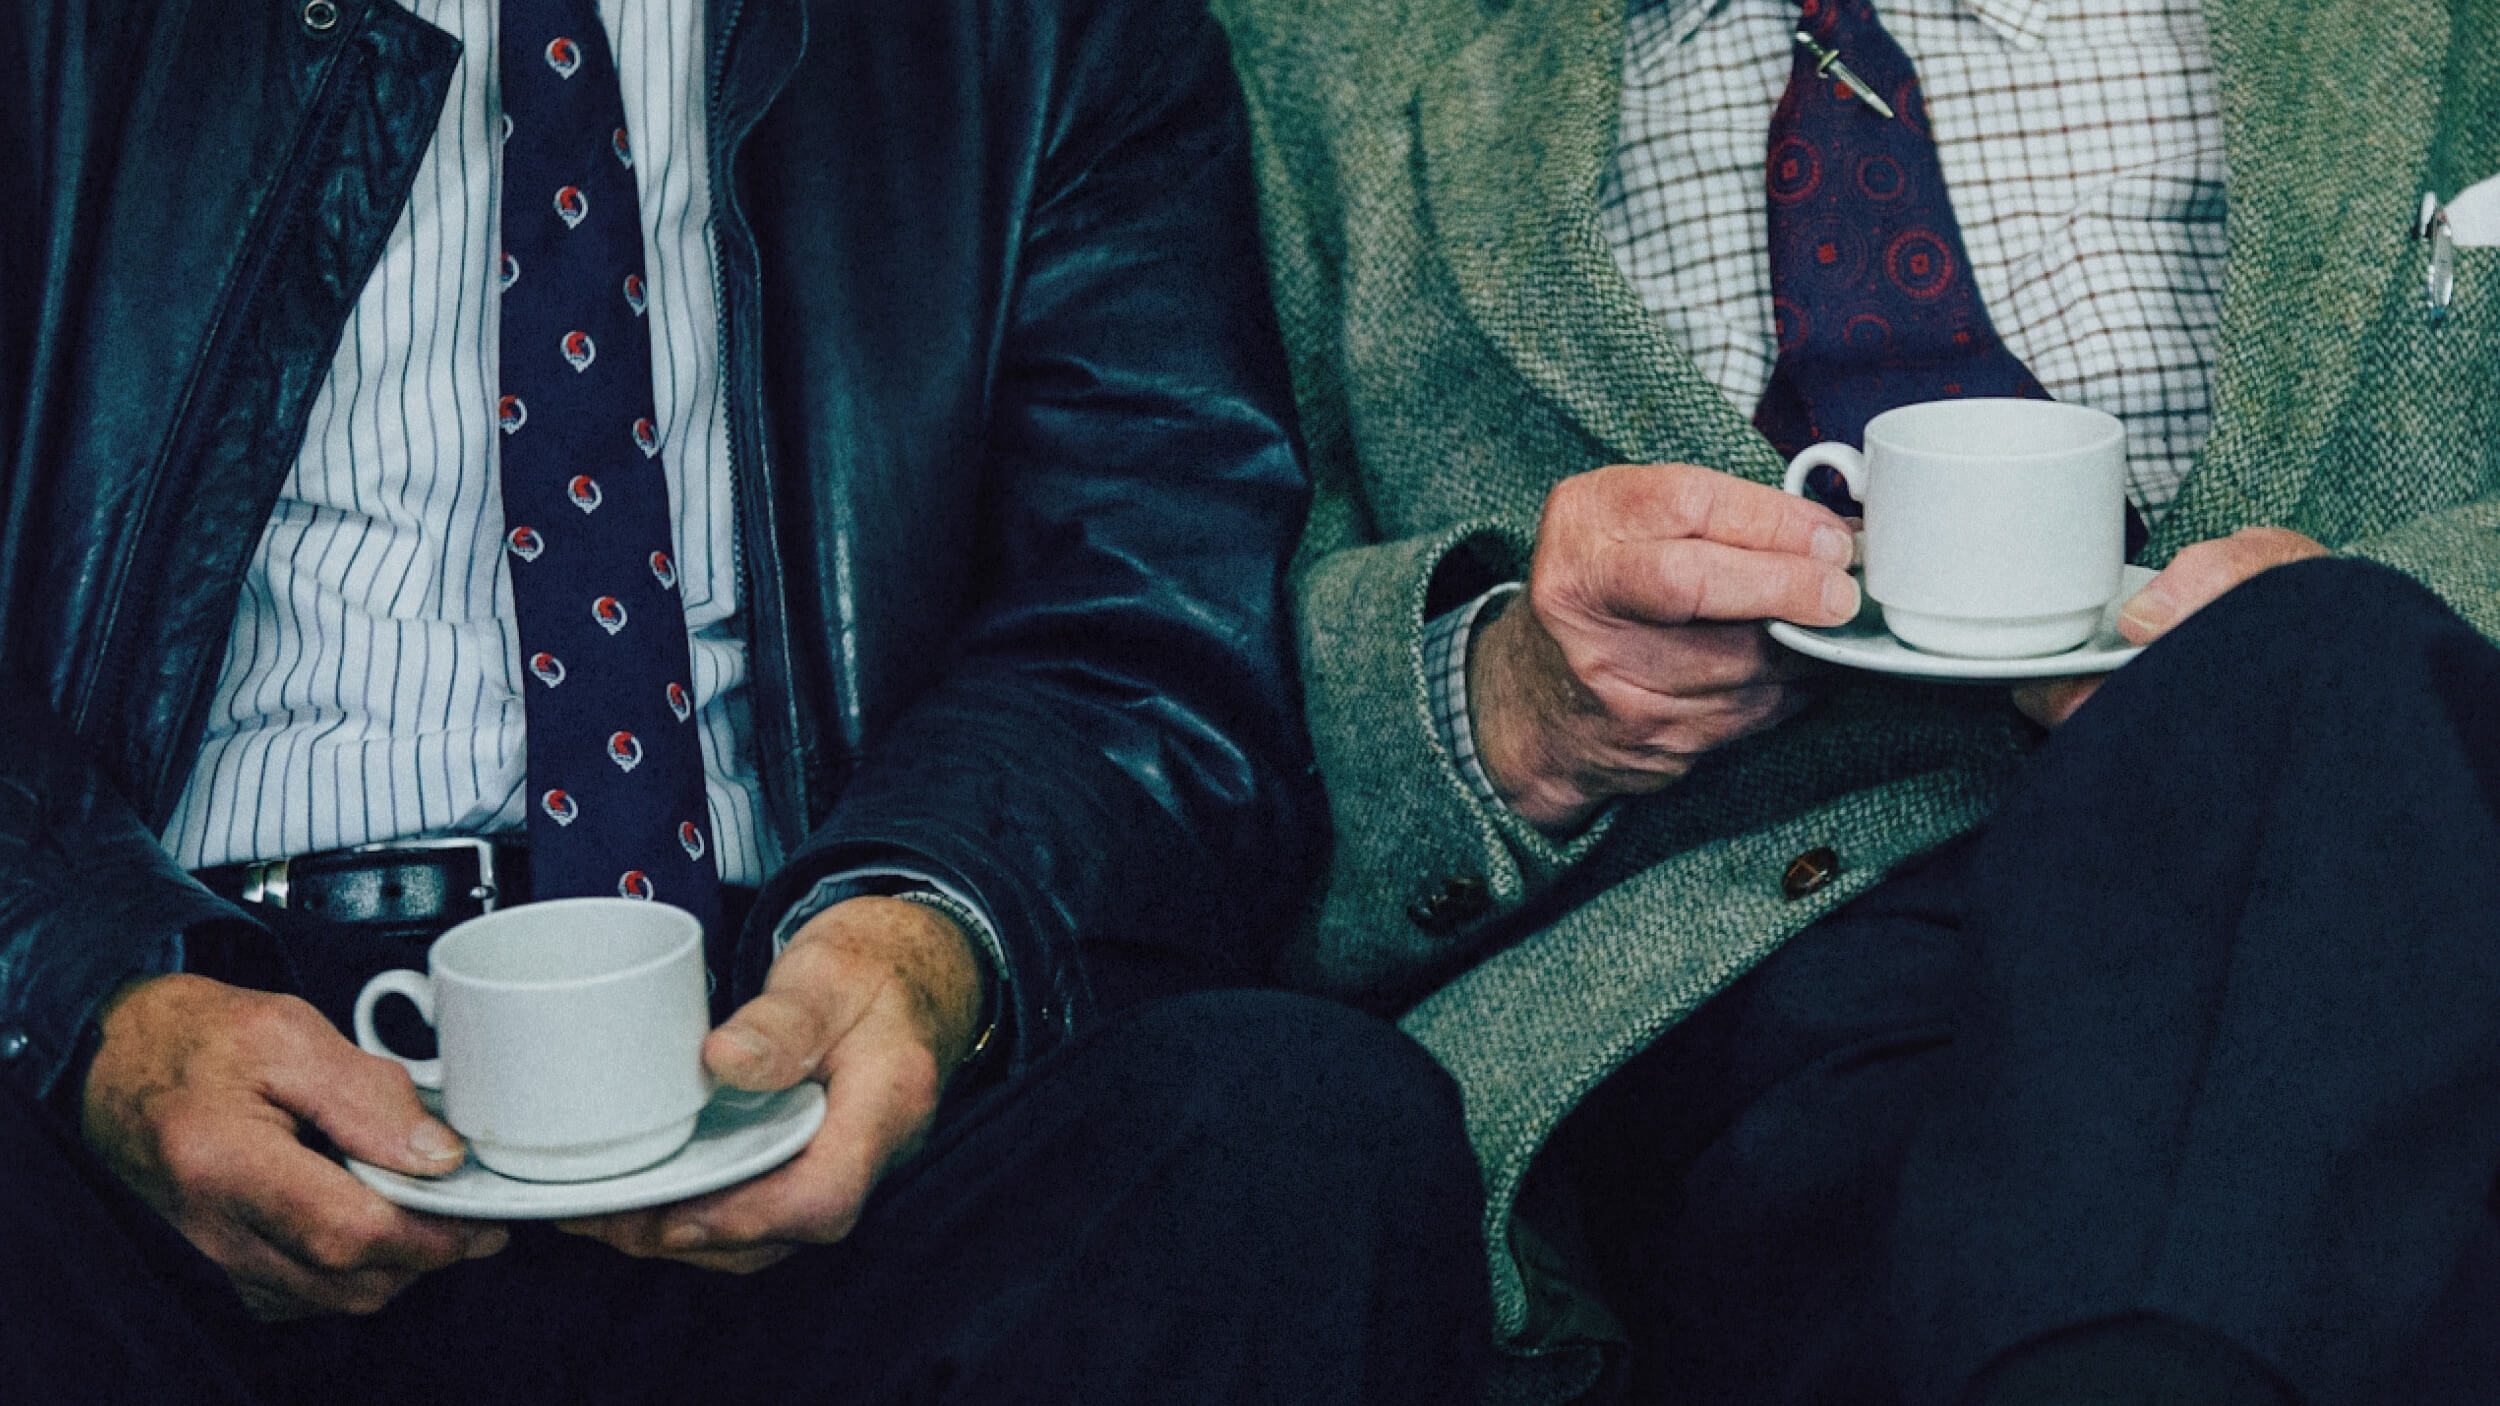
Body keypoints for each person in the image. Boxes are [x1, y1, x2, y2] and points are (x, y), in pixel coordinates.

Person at [0, 0, 1494, 1401]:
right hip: (182, 1051)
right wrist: (91, 1005)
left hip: (790, 1044)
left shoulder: (1039, 31)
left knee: (1305, 1134)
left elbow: (1150, 608)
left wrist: (924, 935)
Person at [1211, 0, 2500, 1401]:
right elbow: (1175, 679)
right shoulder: (1316, 55)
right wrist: (1512, 702)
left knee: (2327, 664)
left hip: (2387, 877)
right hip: (1767, 967)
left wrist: (2364, 624)